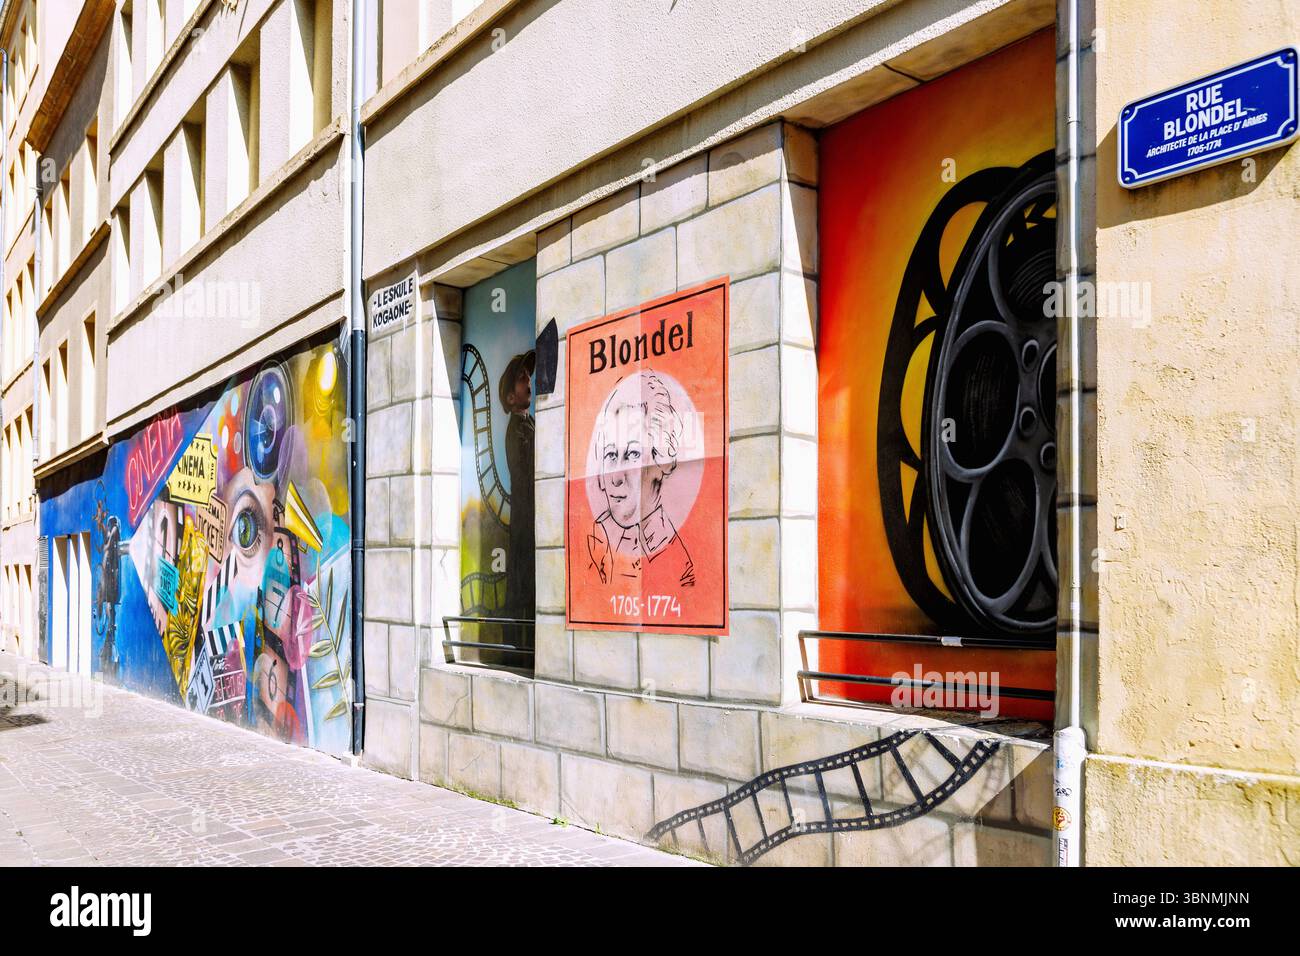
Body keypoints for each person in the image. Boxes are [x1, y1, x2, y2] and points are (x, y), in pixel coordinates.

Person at [587, 370, 695, 594]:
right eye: (611, 456)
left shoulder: (680, 567)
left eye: (633, 454)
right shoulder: (594, 540)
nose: (616, 477)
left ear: (662, 461)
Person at [498, 351, 536, 652]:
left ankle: (520, 648)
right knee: (522, 585)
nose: (529, 382)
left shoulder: (529, 423)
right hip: (526, 519)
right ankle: (515, 650)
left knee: (525, 584)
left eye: (528, 376)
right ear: (511, 399)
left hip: (529, 518)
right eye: (522, 378)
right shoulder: (519, 430)